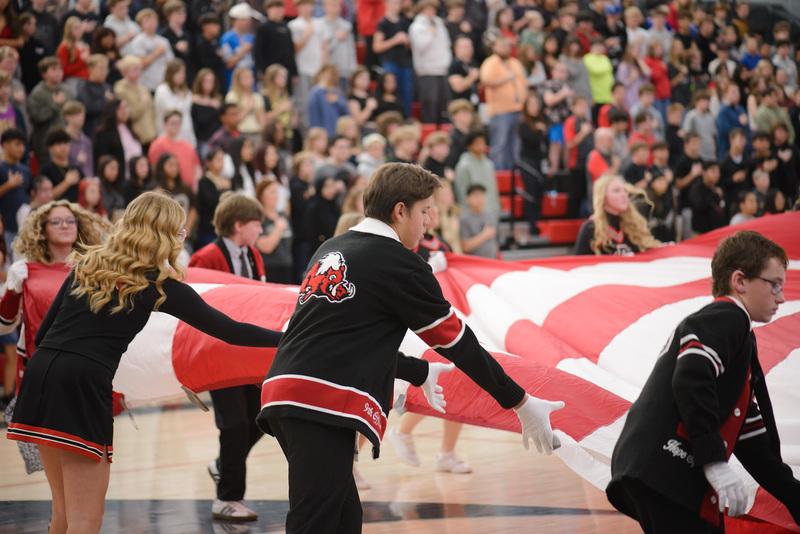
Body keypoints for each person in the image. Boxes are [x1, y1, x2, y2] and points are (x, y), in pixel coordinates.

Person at [256, 162, 564, 533]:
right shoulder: (399, 263)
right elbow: (460, 344)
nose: (430, 221)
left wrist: (418, 371)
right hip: (320, 403)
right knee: (315, 523)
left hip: (284, 393)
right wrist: (520, 402)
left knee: (343, 519)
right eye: (425, 211)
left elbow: (347, 338)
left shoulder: (331, 247)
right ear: (400, 211)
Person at [6, 192, 282, 533]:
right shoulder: (158, 284)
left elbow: (44, 332)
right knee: (85, 519)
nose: (180, 240)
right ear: (162, 233)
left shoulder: (87, 264)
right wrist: (289, 337)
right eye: (179, 233)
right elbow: (229, 330)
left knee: (61, 515)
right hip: (83, 383)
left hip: (41, 375)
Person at [607, 230, 800, 533]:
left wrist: (794, 496)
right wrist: (714, 461)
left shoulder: (734, 333)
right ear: (739, 281)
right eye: (773, 283)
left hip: (652, 470)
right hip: (664, 468)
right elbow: (691, 378)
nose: (782, 296)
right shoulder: (729, 316)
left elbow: (751, 441)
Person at [187, 192, 270, 521]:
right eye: (257, 224)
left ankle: (222, 466)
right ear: (238, 225)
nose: (262, 230)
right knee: (234, 423)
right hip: (217, 353)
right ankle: (227, 498)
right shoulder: (205, 256)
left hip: (248, 351)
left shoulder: (253, 255)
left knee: (261, 418)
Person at [574, 174, 660, 256]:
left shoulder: (632, 226)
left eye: (625, 191)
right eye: (617, 191)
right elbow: (577, 265)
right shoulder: (590, 228)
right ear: (603, 197)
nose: (624, 195)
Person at [113, 55, 157, 151]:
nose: (137, 72)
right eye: (134, 70)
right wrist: (142, 104)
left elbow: (152, 113)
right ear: (124, 72)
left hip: (151, 136)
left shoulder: (143, 89)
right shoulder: (120, 90)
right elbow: (128, 115)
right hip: (136, 137)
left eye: (139, 69)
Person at [255, 179, 293, 284]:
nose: (275, 196)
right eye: (271, 192)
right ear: (262, 195)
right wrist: (278, 229)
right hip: (269, 267)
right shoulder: (259, 219)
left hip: (286, 265)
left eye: (276, 192)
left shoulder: (283, 216)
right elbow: (265, 247)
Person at [459, 183, 498, 259]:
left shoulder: (491, 217)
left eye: (482, 195)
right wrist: (484, 235)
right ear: (468, 198)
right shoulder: (464, 219)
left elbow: (496, 243)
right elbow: (465, 246)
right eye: (476, 196)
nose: (479, 199)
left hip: (492, 261)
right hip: (474, 264)